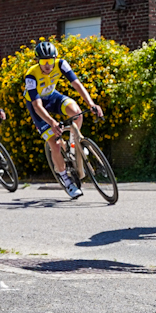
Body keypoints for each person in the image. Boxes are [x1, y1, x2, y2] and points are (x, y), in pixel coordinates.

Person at [23, 40, 103, 199]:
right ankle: (65, 179)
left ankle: (74, 145)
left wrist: (91, 103)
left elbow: (77, 84)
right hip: (37, 105)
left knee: (77, 113)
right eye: (44, 62)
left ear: (55, 59)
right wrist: (52, 123)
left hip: (52, 97)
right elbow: (37, 106)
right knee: (55, 143)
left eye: (50, 61)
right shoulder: (31, 75)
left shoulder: (61, 64)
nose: (47, 65)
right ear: (38, 61)